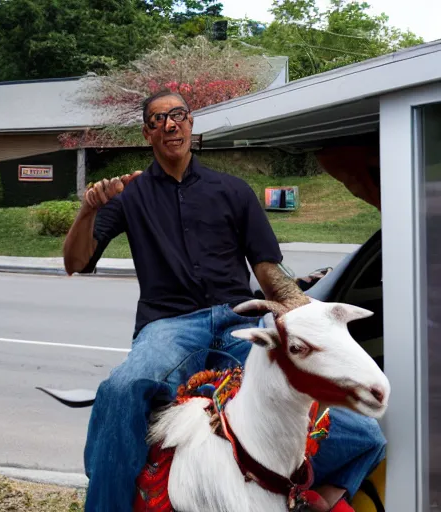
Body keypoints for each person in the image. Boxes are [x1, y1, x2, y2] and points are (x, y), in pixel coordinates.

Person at [63, 91, 386, 512]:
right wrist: (87, 212)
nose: (170, 125)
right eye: (159, 119)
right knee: (123, 387)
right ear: (148, 132)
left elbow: (269, 274)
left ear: (191, 123)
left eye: (177, 115)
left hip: (239, 323)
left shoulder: (233, 191)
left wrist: (307, 315)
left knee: (364, 435)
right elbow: (76, 262)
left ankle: (316, 496)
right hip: (169, 327)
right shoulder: (130, 195)